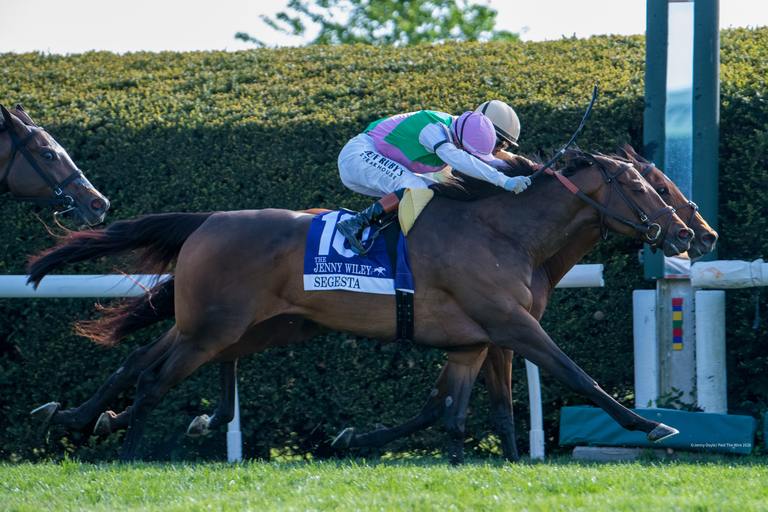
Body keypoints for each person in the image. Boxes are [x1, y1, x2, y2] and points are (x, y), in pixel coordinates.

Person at [336, 102, 531, 254]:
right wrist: (503, 181)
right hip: (358, 155)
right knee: (415, 187)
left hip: (374, 158)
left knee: (438, 193)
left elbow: (492, 158)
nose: (498, 149)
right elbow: (459, 158)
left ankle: (386, 233)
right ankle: (355, 224)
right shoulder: (433, 129)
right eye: (500, 143)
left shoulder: (462, 129)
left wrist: (532, 167)